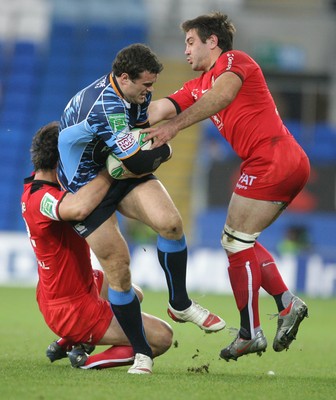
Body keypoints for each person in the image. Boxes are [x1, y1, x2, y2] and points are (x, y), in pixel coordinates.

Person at [144, 12, 309, 361]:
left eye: (191, 42)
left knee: (235, 242)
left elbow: (222, 97)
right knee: (239, 241)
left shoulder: (236, 62)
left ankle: (251, 332)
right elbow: (160, 107)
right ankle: (285, 304)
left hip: (274, 157)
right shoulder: (199, 84)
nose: (186, 51)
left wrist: (174, 128)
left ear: (212, 41)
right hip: (276, 160)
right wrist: (116, 117)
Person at [57, 44, 225, 374]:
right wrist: (166, 150)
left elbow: (136, 147)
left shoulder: (135, 93)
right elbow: (138, 158)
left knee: (171, 224)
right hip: (85, 187)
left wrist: (150, 147)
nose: (150, 92)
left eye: (152, 85)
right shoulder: (104, 104)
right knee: (119, 268)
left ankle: (179, 303)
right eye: (146, 85)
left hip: (116, 169)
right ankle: (140, 352)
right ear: (123, 77)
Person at [21, 122, 173, 371]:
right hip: (71, 308)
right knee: (162, 337)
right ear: (63, 158)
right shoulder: (41, 199)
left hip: (69, 288)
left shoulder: (37, 188)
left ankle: (68, 341)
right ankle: (85, 362)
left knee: (133, 295)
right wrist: (109, 172)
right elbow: (80, 207)